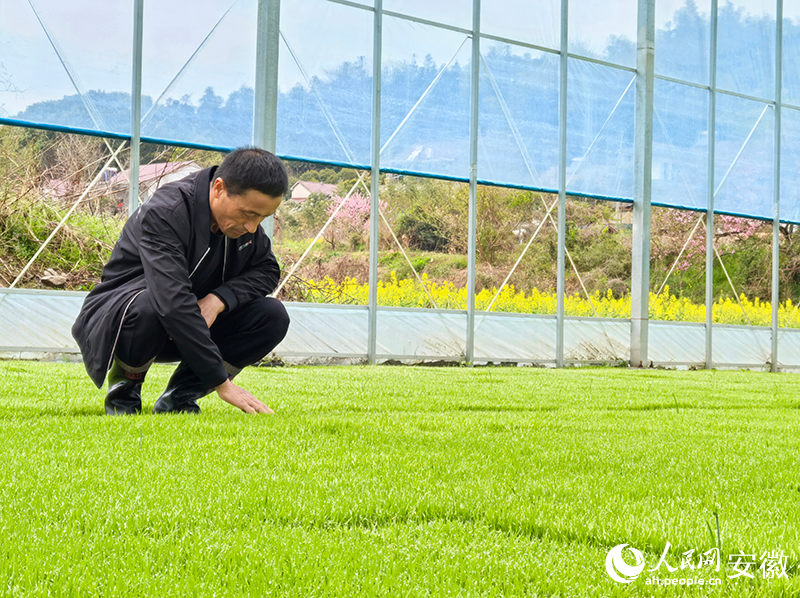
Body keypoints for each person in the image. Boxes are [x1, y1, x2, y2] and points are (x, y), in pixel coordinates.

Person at [72, 147, 290, 415]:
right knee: (149, 307)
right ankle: (123, 396)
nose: (253, 228)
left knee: (272, 315)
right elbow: (172, 301)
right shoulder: (166, 212)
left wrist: (219, 300)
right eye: (248, 214)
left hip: (192, 325)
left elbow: (267, 269)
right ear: (219, 188)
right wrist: (222, 382)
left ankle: (179, 399)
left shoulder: (243, 226)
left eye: (262, 218)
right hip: (128, 322)